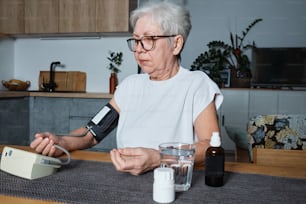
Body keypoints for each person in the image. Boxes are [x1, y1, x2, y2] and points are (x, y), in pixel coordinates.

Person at [30, 1, 223, 176]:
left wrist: (160, 157)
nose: (138, 49)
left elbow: (209, 146)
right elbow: (91, 133)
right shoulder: (130, 86)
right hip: (125, 180)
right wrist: (60, 142)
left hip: (174, 182)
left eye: (149, 39)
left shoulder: (196, 84)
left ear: (176, 44)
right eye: (136, 40)